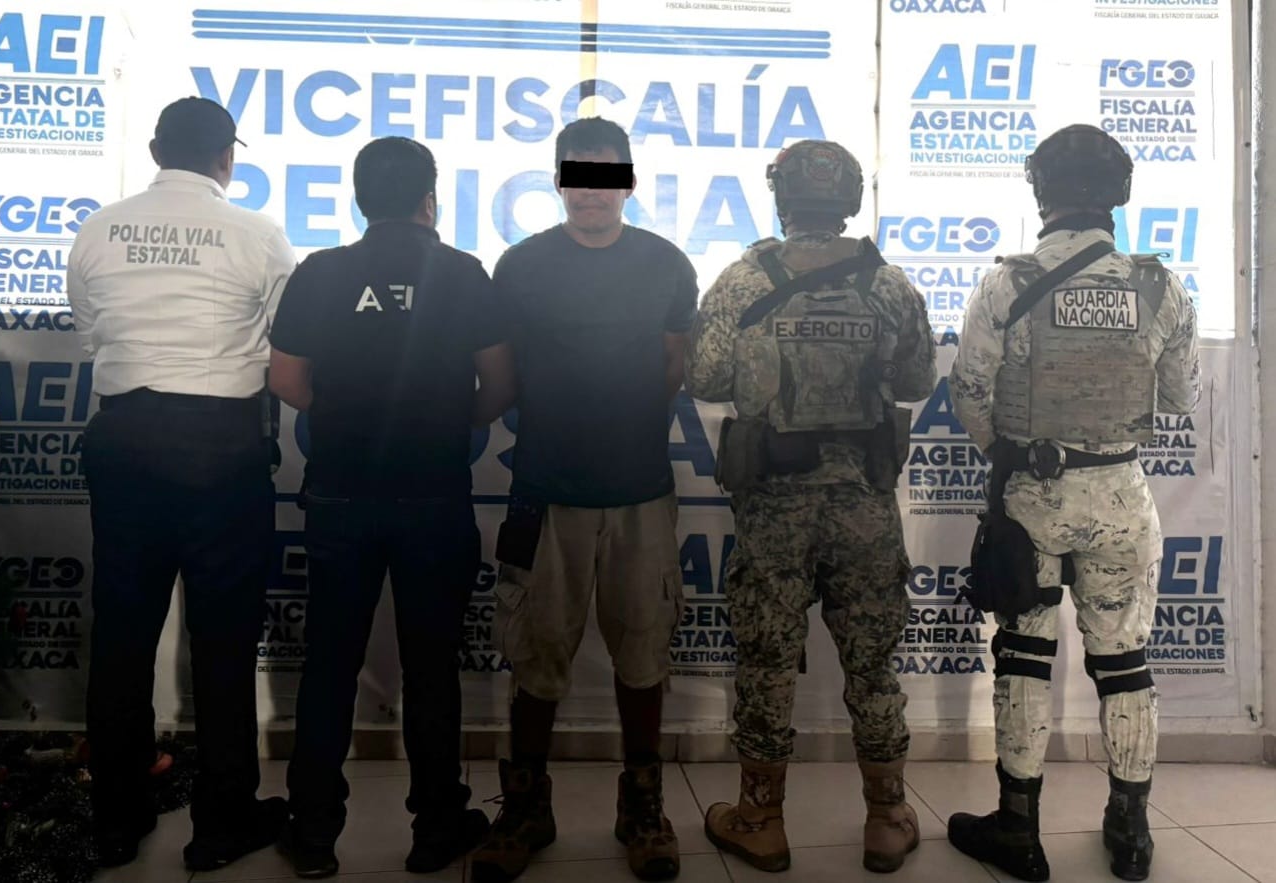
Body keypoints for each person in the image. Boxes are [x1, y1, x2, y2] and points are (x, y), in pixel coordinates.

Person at [946, 124, 1201, 883]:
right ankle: (1131, 832)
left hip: (1032, 497)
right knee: (1124, 661)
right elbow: (1182, 397)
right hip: (1121, 495)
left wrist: (1013, 455)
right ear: (1118, 195)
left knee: (1023, 655)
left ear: (1040, 192)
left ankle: (1018, 830)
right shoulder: (1160, 286)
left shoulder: (1008, 282)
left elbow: (969, 391)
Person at [267, 136, 517, 879]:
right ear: (429, 201)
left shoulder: (321, 272)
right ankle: (436, 829)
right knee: (432, 666)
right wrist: (448, 422)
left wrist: (348, 418)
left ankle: (314, 834)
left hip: (341, 495)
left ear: (358, 201)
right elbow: (502, 385)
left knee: (329, 663)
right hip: (433, 495)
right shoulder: (463, 272)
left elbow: (285, 380)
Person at [685, 139, 936, 875]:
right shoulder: (887, 283)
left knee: (766, 661)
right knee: (873, 664)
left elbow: (705, 378)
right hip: (863, 504)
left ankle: (760, 818)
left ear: (782, 198)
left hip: (775, 505)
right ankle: (886, 819)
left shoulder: (742, 280)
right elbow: (917, 380)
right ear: (849, 200)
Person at [67, 96, 296, 871]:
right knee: (224, 639)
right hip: (221, 447)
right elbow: (284, 342)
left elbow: (91, 335)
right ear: (227, 158)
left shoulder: (99, 228)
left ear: (156, 151)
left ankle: (115, 818)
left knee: (122, 635)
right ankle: (221, 821)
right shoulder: (258, 234)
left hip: (124, 437)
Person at [468, 116, 697, 883]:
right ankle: (525, 806)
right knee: (535, 654)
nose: (592, 190)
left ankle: (643, 806)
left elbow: (671, 365)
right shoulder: (522, 265)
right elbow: (502, 374)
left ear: (628, 182)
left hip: (639, 490)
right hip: (546, 489)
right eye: (579, 173)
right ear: (559, 180)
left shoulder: (666, 264)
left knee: (644, 653)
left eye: (607, 174)